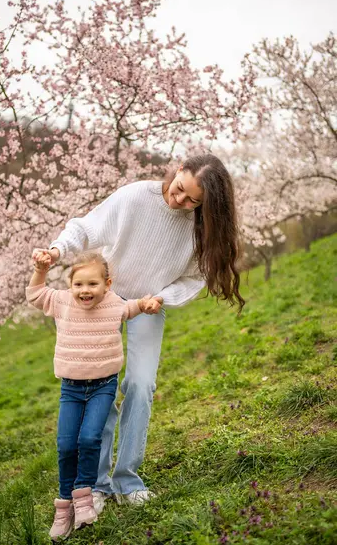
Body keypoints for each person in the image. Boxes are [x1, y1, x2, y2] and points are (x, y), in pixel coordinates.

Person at [33, 153, 245, 514]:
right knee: (99, 389)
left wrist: (162, 298)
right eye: (180, 190)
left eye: (194, 200)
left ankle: (127, 479)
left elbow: (195, 277)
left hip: (148, 305)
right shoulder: (135, 197)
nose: (181, 201)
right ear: (178, 171)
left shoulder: (200, 227)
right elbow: (88, 228)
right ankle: (95, 485)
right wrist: (57, 250)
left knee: (141, 385)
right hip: (103, 304)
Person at [26, 250, 158, 541]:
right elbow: (35, 294)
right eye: (79, 285)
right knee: (65, 445)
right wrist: (40, 269)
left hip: (103, 386)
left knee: (89, 439)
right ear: (70, 285)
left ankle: (85, 499)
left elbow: (133, 306)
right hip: (71, 389)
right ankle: (65, 506)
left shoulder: (114, 304)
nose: (85, 291)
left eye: (93, 285)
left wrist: (147, 304)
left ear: (107, 284)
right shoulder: (61, 301)